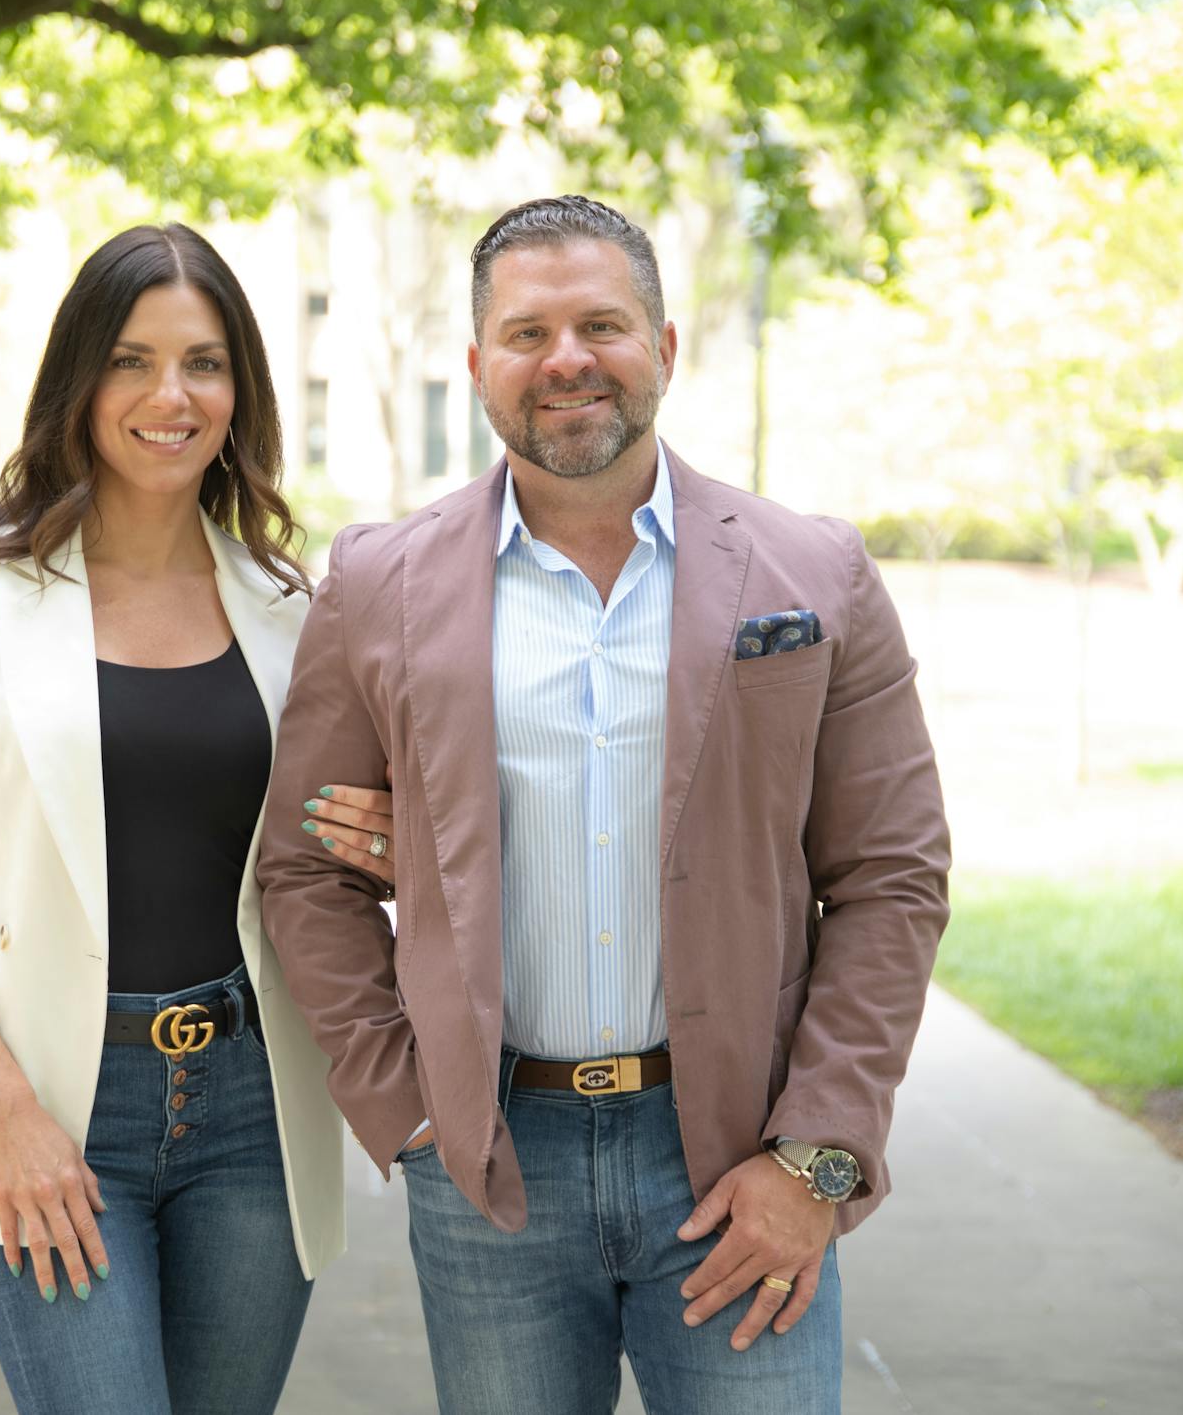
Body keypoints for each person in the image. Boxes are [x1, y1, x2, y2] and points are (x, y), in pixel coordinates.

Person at [260, 195, 951, 1414]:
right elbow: (306, 871)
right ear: (476, 367)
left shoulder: (813, 571)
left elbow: (891, 877)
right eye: (526, 334)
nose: (566, 360)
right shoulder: (376, 583)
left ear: (666, 349)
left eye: (601, 325)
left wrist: (817, 1158)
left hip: (742, 1159)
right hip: (490, 1170)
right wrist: (409, 1114)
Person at [0, 223, 394, 1415]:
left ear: (241, 390)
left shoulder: (296, 611)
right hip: (51, 1099)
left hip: (252, 1106)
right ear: (78, 379)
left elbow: (324, 861)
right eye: (130, 361)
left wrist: (387, 849)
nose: (169, 396)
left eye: (204, 362)